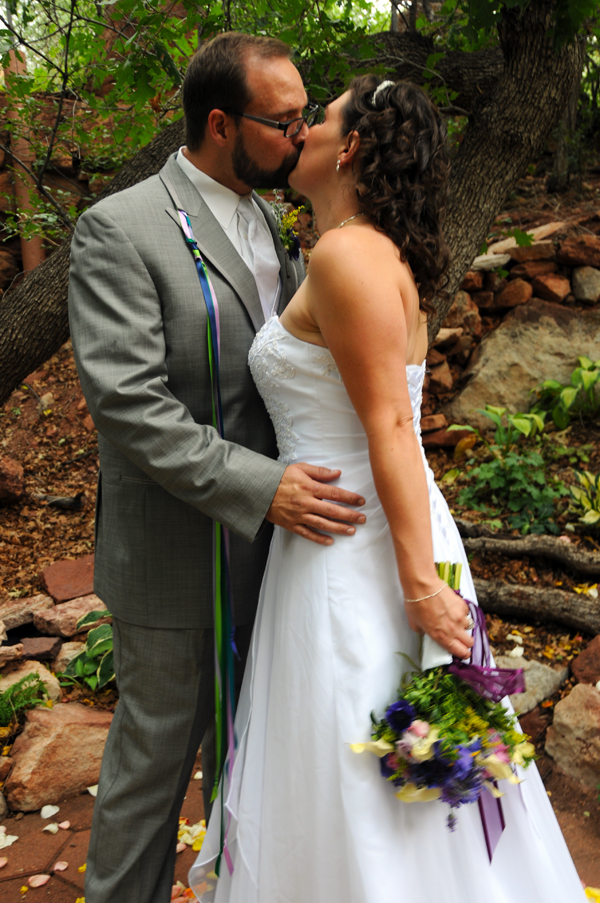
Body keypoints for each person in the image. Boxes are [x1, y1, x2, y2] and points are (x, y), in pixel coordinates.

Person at [190, 77, 586, 902]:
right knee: (371, 762)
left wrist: (416, 585)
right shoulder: (349, 250)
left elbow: (393, 430)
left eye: (318, 119)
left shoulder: (348, 256)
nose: (301, 131)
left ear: (355, 146)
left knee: (374, 757)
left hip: (361, 552)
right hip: (336, 533)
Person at [68, 32, 367, 903]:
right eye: (283, 120)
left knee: (249, 760)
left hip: (279, 554)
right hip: (175, 553)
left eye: (305, 113)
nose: (303, 132)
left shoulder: (278, 219)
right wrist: (261, 486)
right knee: (152, 769)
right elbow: (129, 406)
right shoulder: (120, 229)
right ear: (219, 124)